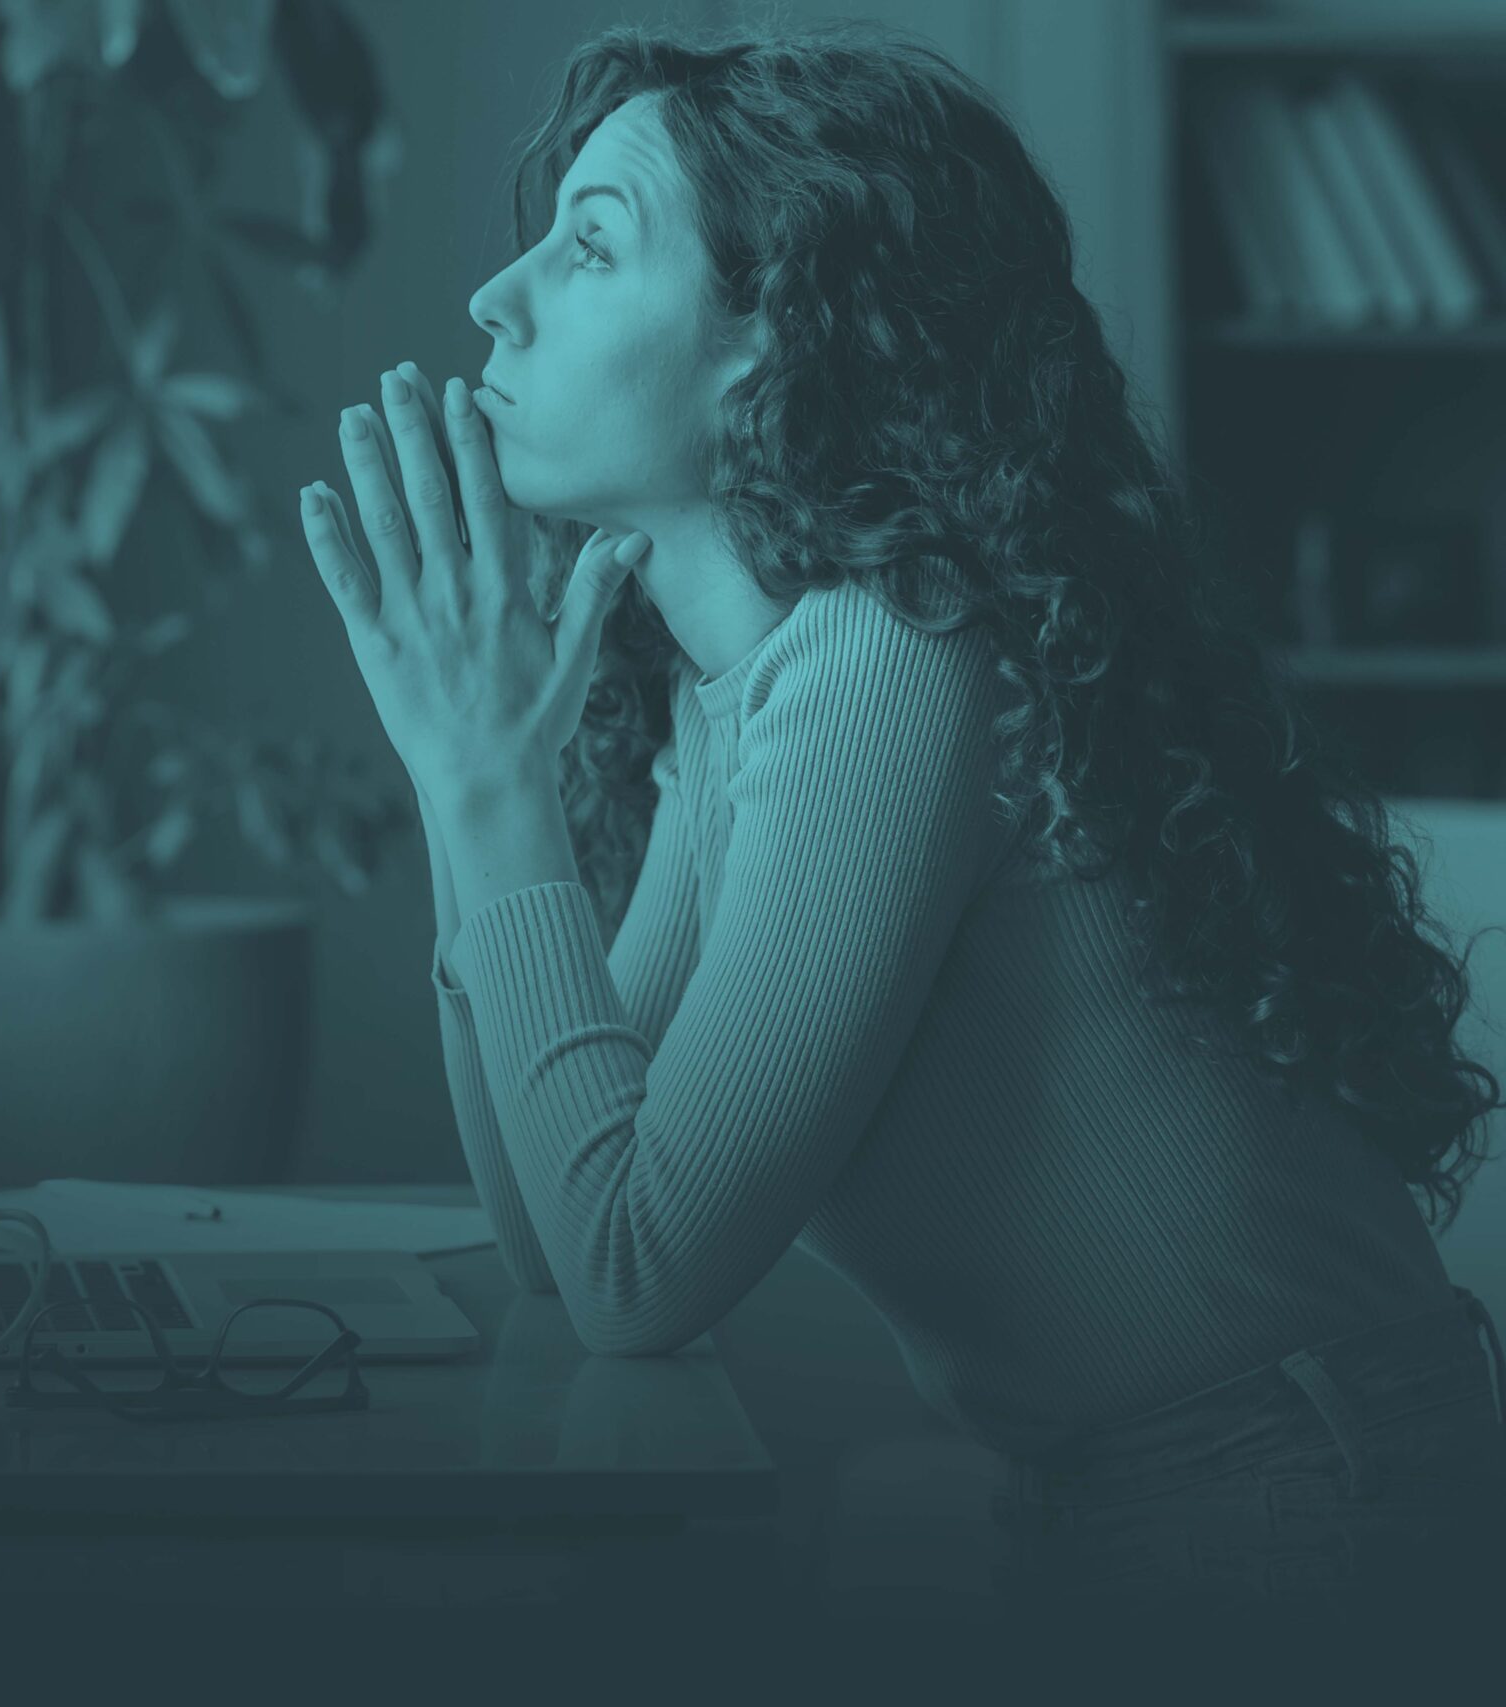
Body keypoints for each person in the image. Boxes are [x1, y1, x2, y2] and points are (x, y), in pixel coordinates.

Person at [298, 19, 1505, 1633]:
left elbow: (631, 1268)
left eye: (590, 248)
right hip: (1169, 1482)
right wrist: (471, 776)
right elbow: (551, 1229)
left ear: (774, 340)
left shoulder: (892, 655)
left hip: (1293, 1485)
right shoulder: (733, 702)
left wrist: (491, 791)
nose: (495, 298)